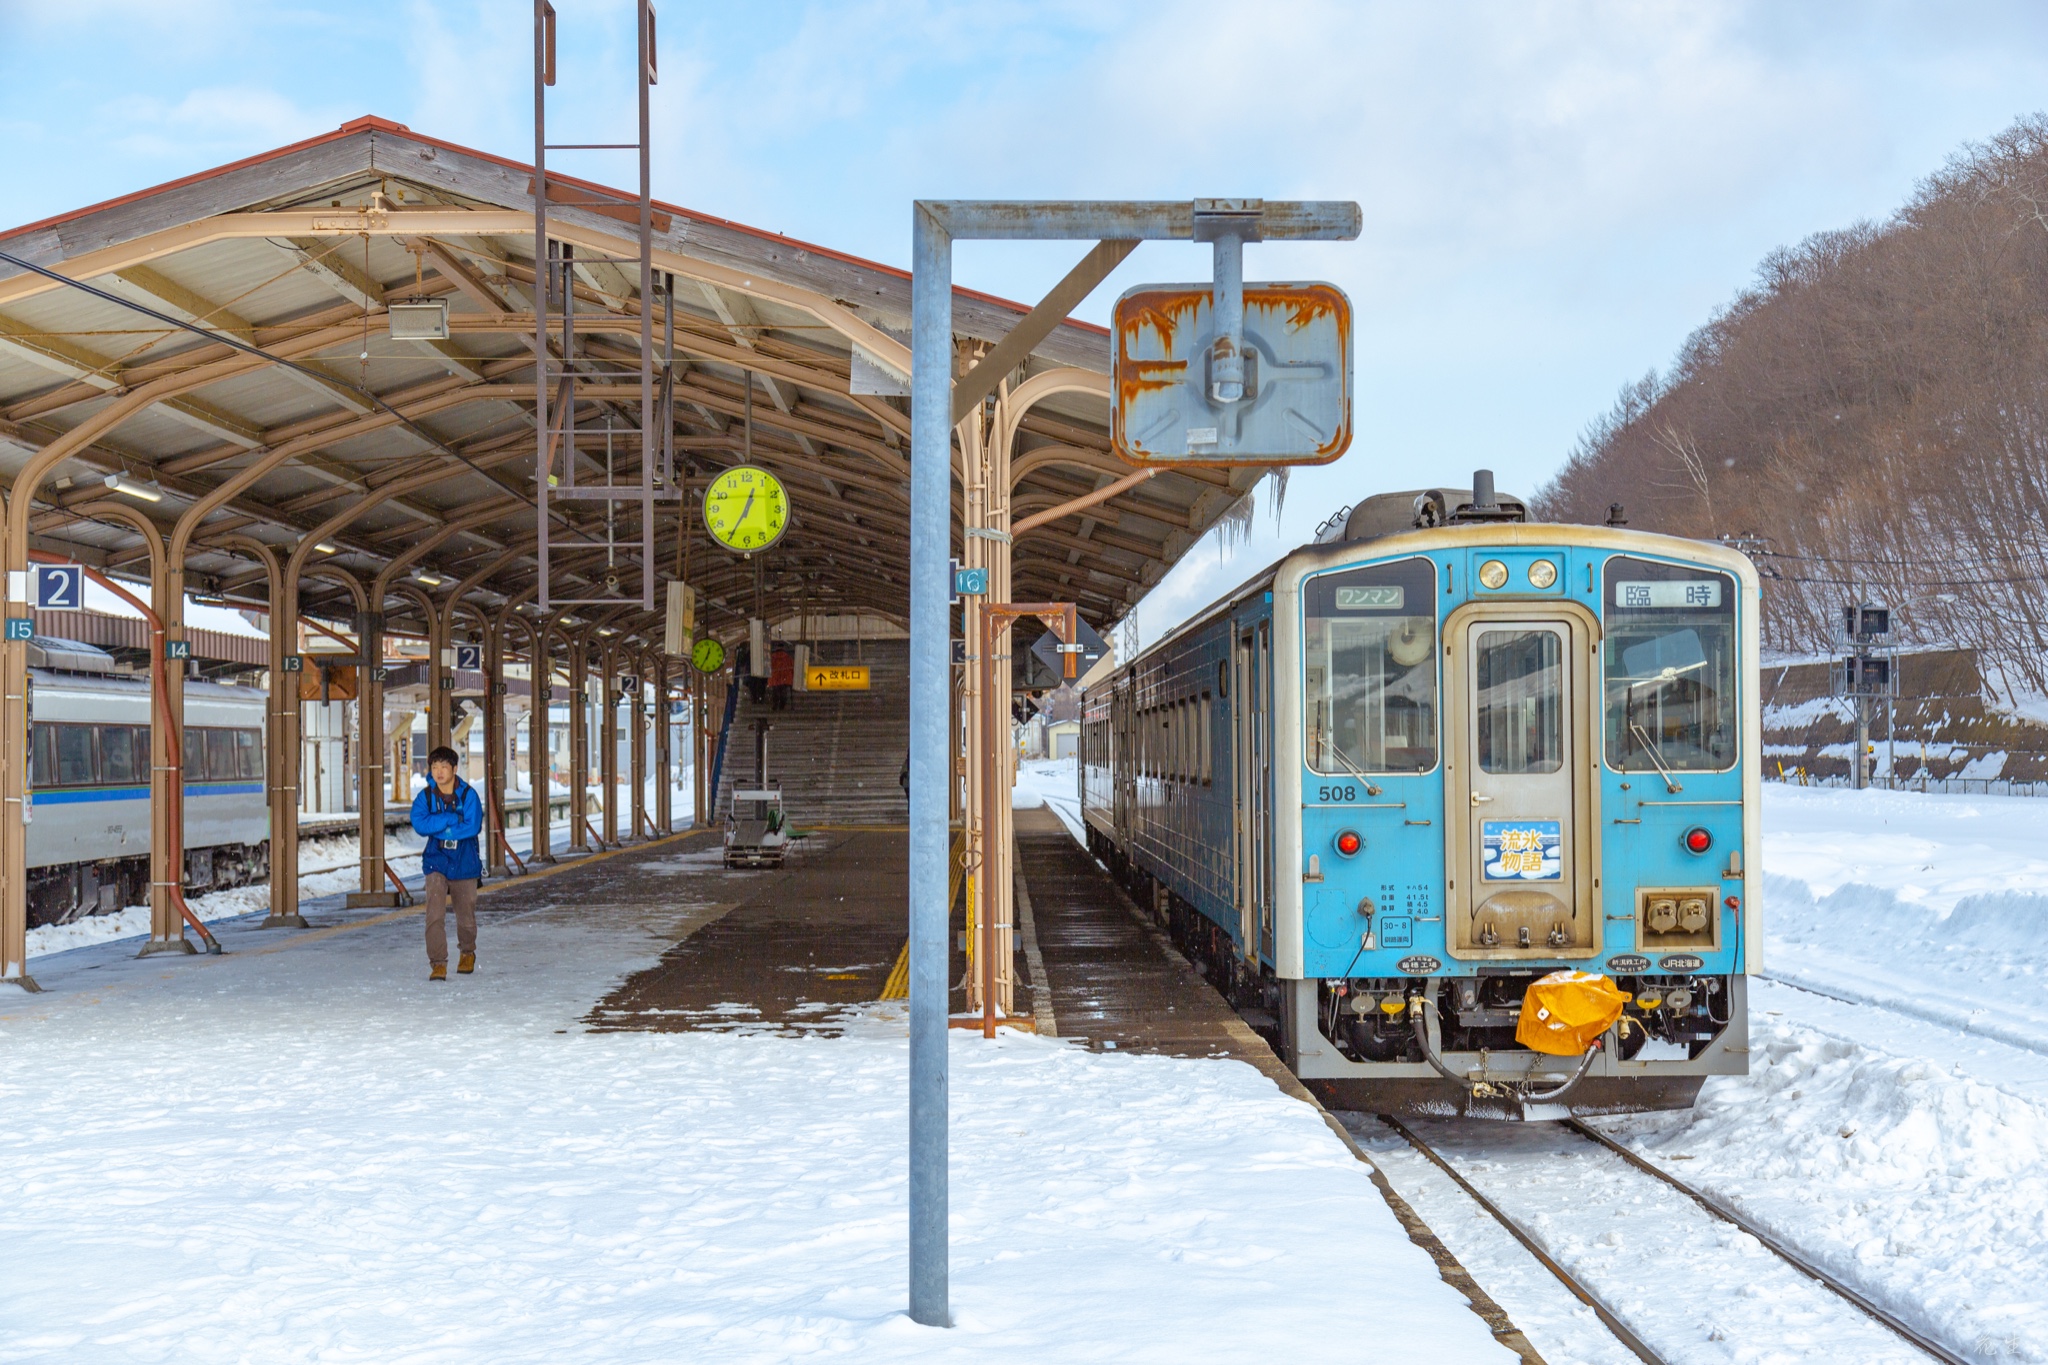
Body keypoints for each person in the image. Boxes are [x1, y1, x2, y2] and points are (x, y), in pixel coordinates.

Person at [411, 744, 485, 981]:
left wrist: (442, 830)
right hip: (437, 861)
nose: (439, 771)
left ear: (454, 768)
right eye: (434, 767)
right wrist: (448, 819)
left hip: (465, 861)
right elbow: (419, 824)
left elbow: (472, 827)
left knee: (466, 914)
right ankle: (438, 962)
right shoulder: (425, 797)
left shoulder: (469, 795)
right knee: (434, 913)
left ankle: (467, 951)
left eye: (444, 766)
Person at [769, 641, 794, 711]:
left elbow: (769, 667)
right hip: (785, 678)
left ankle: (775, 706)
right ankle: (782, 706)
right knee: (783, 693)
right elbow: (792, 667)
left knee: (775, 693)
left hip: (775, 678)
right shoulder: (788, 657)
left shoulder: (772, 657)